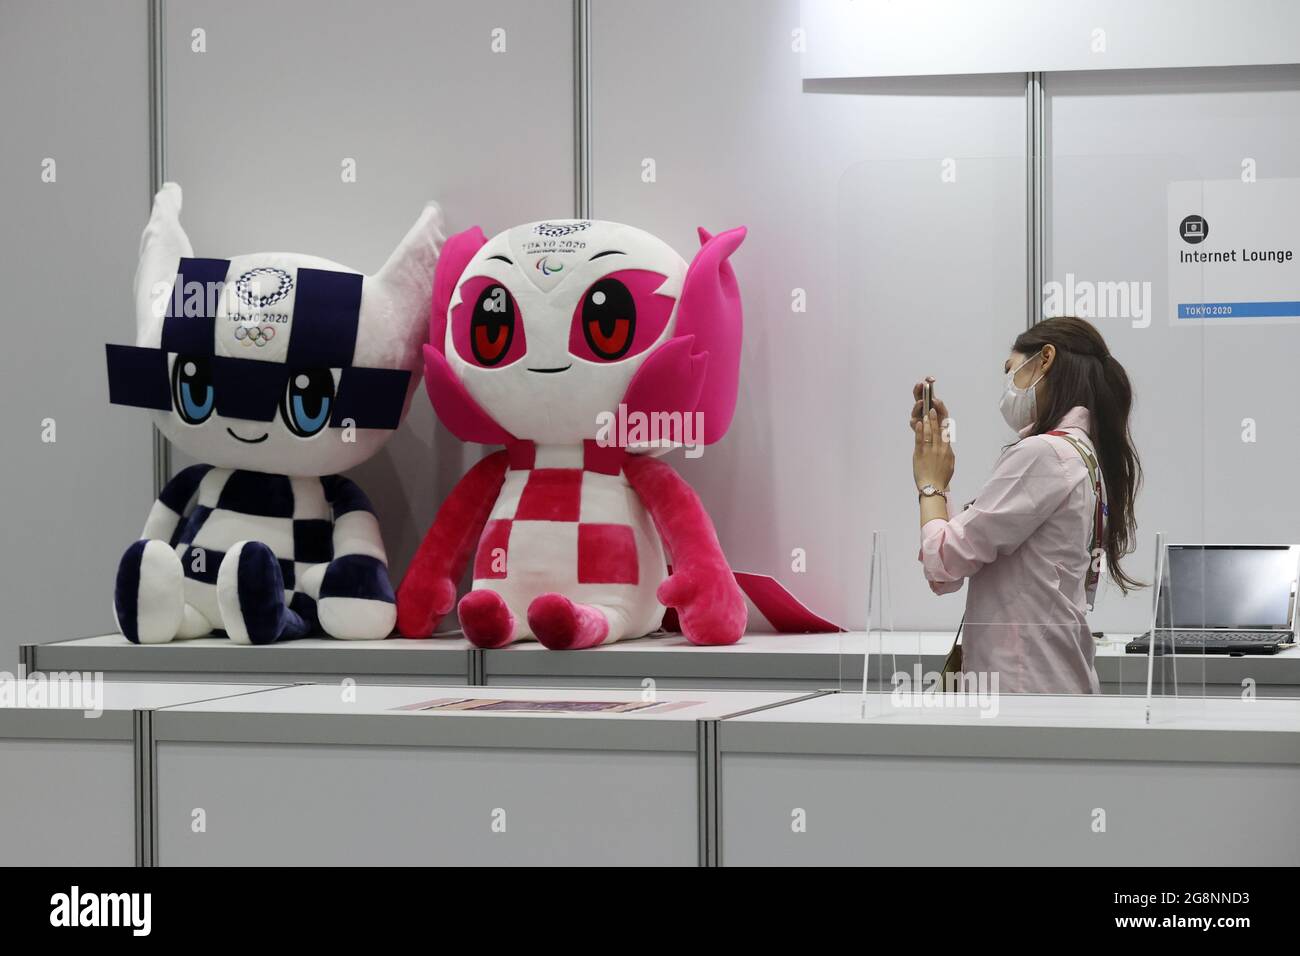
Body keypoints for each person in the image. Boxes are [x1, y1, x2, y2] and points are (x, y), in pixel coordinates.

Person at [911, 316, 1142, 694]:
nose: (1007, 385)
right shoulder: (1081, 455)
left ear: (1045, 359)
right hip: (1054, 685)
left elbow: (944, 563)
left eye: (1010, 369)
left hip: (1022, 694)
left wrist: (930, 484)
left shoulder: (1044, 454)